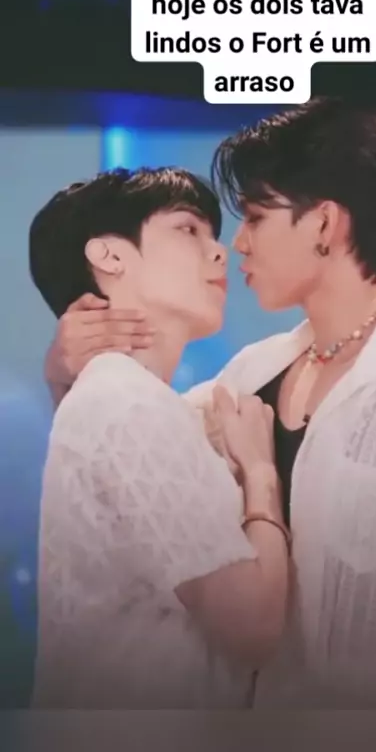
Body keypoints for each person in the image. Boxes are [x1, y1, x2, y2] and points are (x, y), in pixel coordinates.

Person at [45, 99, 376, 709]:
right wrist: (66, 369)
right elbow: (129, 461)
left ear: (324, 224)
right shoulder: (253, 373)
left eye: (254, 217)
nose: (237, 244)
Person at [30, 167, 290, 709]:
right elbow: (252, 626)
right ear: (109, 256)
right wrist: (261, 476)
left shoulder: (129, 398)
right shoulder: (126, 400)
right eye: (188, 229)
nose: (219, 252)